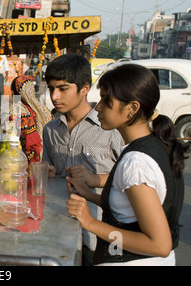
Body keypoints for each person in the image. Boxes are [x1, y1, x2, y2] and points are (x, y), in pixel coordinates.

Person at [67, 64, 188, 265]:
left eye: (107, 100)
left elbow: (159, 244)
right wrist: (89, 195)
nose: (98, 106)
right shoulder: (154, 145)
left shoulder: (136, 163)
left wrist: (90, 222)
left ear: (132, 108)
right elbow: (126, 209)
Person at [42, 53, 124, 264]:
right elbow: (52, 172)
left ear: (84, 89)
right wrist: (48, 173)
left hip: (102, 233)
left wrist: (94, 178)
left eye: (63, 88)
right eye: (51, 88)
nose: (54, 96)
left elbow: (130, 179)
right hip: (59, 225)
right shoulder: (51, 129)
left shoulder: (110, 128)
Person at [3, 75, 52, 170]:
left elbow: (9, 137)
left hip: (24, 164)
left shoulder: (15, 111)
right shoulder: (43, 109)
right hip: (47, 162)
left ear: (14, 93)